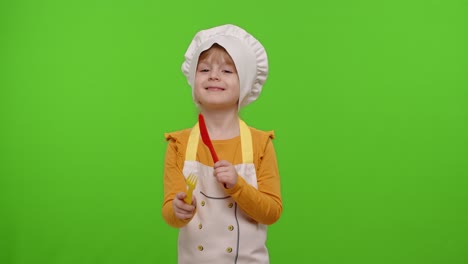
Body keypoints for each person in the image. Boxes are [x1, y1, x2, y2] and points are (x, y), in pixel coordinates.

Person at [162, 24, 282, 264]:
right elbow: (169, 213)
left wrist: (238, 186)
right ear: (194, 79)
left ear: (246, 83)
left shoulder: (260, 143)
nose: (213, 76)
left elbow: (271, 212)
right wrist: (177, 211)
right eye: (204, 69)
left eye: (227, 71)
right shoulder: (179, 144)